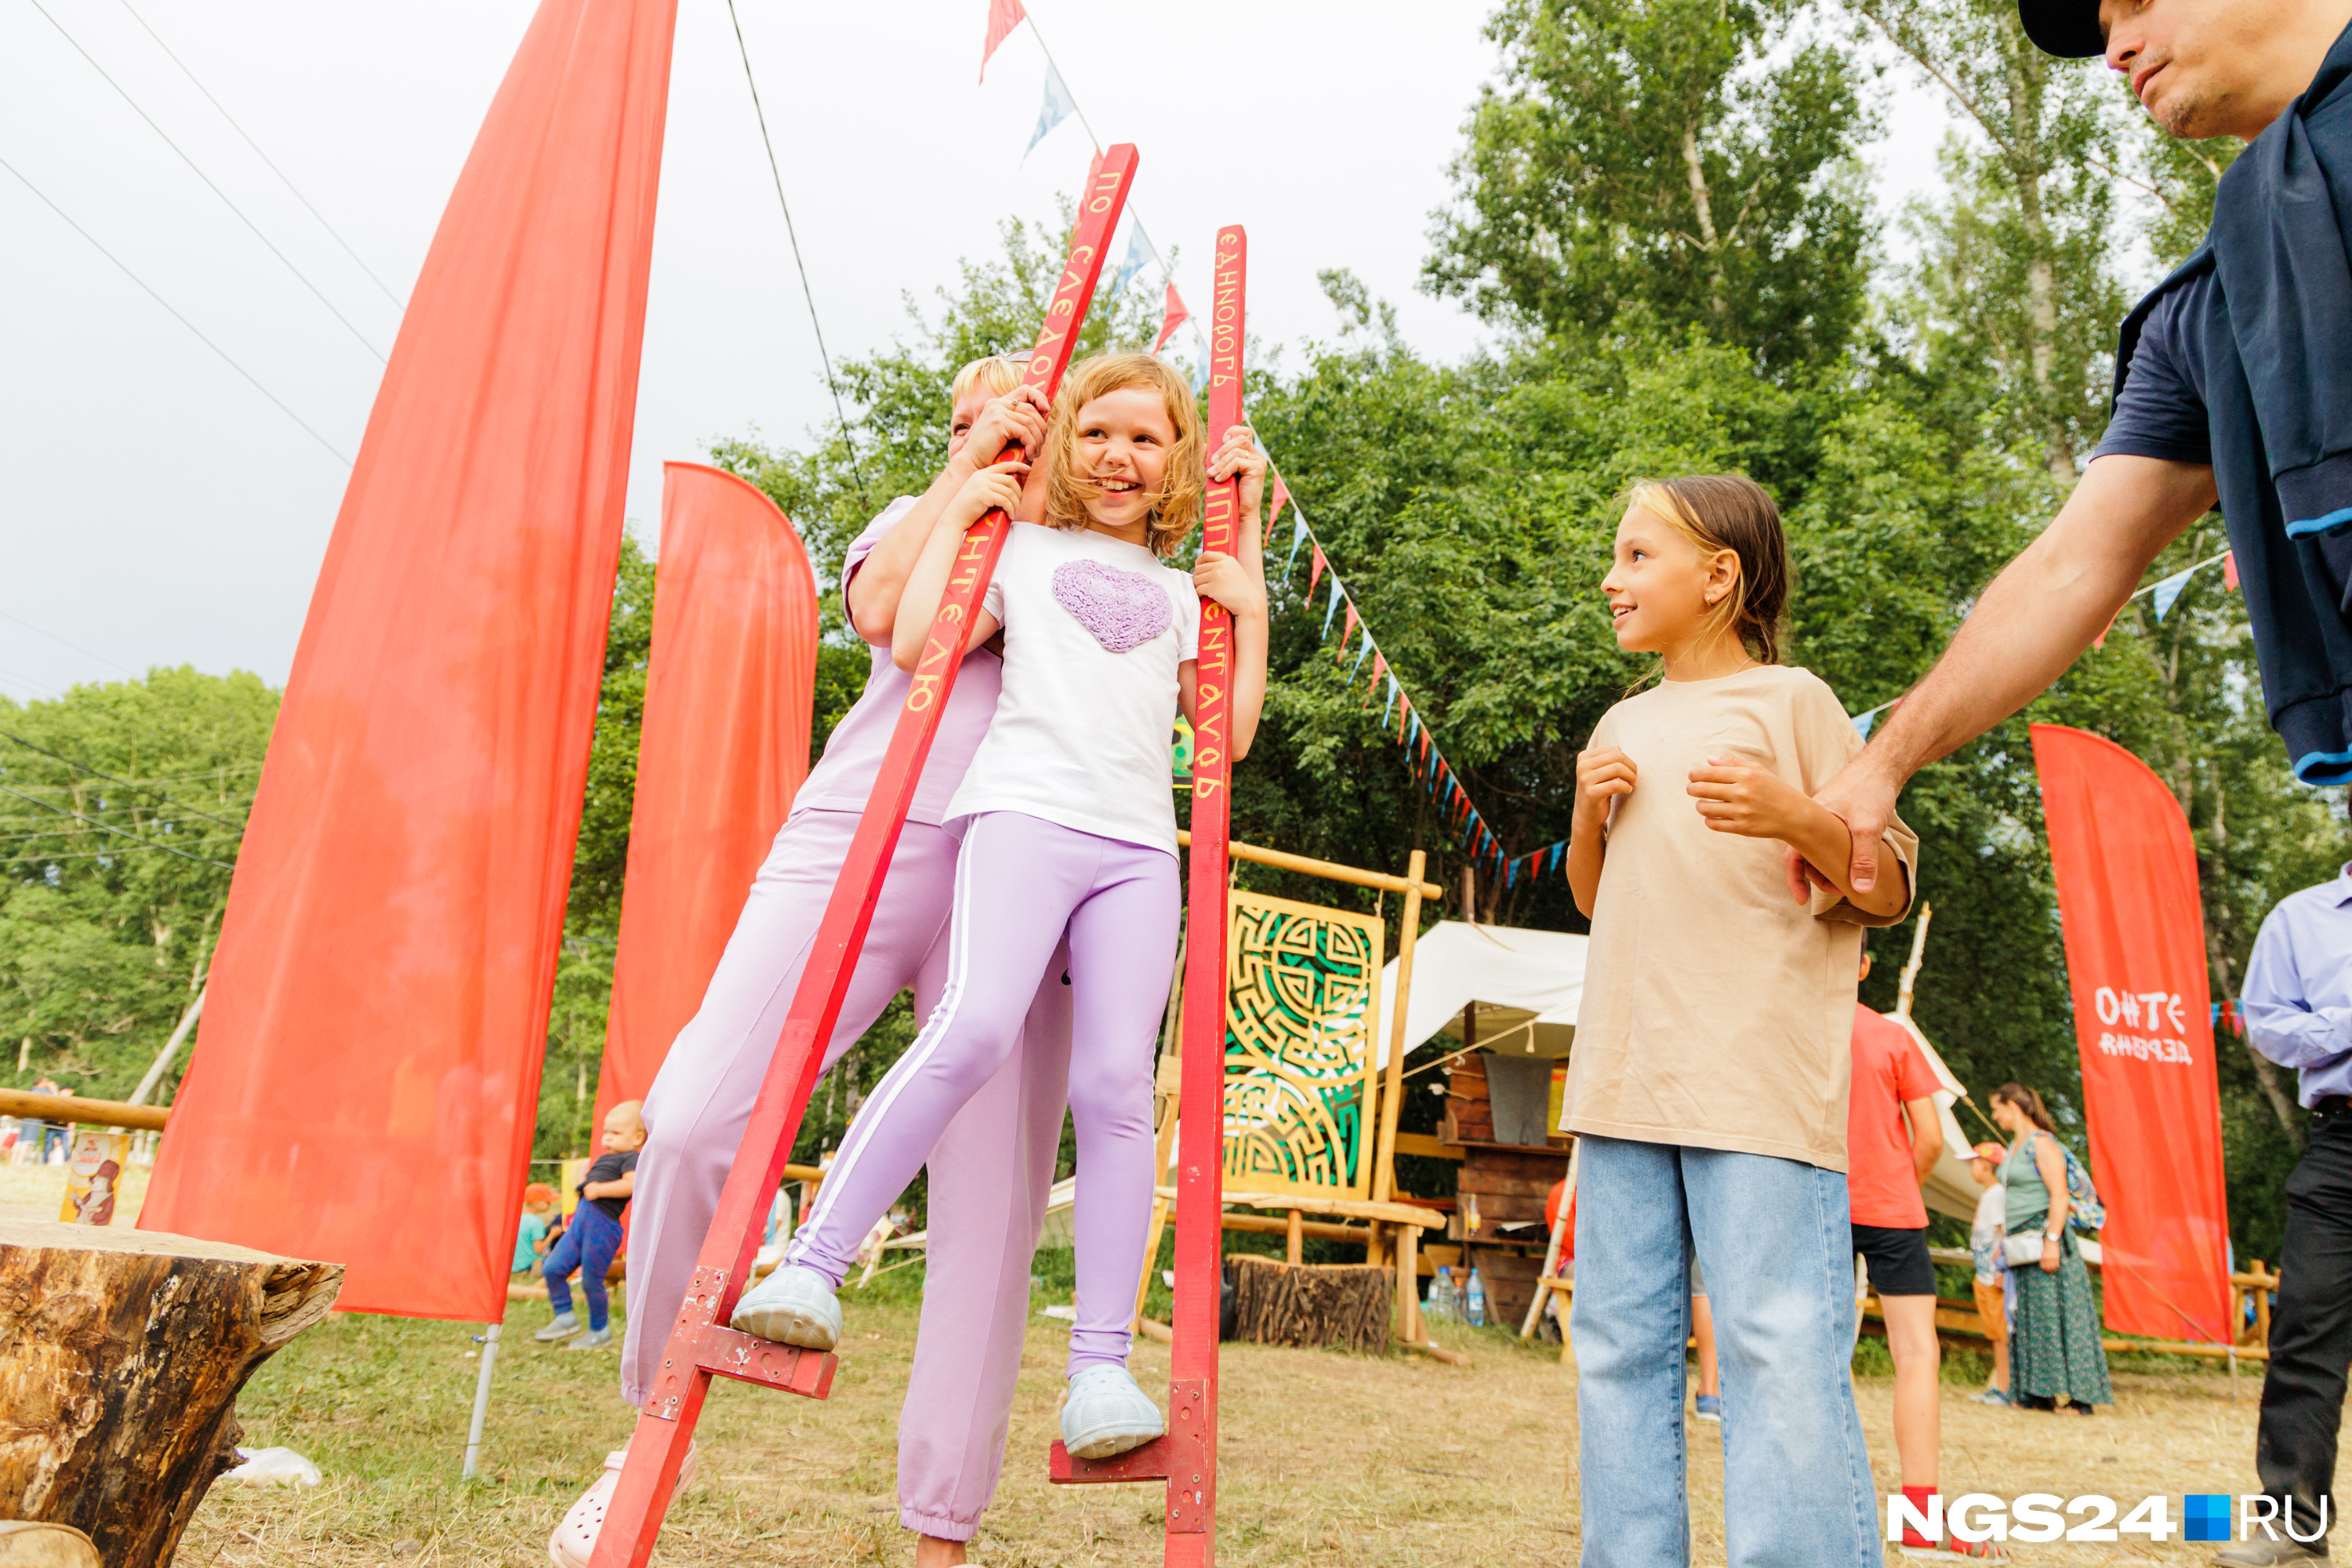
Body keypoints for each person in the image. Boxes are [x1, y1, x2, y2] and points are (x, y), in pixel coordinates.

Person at [547, 355, 1270, 1568]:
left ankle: (944, 1530)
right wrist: (965, 478)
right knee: (692, 1122)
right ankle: (647, 1433)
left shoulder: (1108, 558)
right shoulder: (952, 519)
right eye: (971, 419)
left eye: (1019, 420)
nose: (996, 434)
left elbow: (1210, 706)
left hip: (1031, 862)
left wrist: (1239, 535)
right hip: (867, 839)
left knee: (989, 1228)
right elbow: (889, 616)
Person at [1797, 4, 2352, 1558]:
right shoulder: (2217, 309)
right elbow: (2071, 567)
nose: (2112, 45)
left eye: (2131, 0)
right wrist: (1880, 759)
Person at [743, 351, 1269, 1462]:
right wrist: (962, 503)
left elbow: (1224, 737)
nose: (1119, 457)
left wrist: (1252, 584)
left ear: (1178, 461)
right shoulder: (1022, 550)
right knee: (974, 1024)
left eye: (1145, 439)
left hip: (1136, 850)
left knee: (1117, 1086)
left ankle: (1099, 1369)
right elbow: (915, 639)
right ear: (1066, 445)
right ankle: (813, 1262)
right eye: (1098, 433)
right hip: (1022, 818)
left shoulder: (1185, 594)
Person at [1563, 474, 1919, 1568]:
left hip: (1756, 1085)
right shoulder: (1621, 721)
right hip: (1623, 1078)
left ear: (1719, 576)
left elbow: (1890, 884)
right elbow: (1594, 896)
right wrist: (1585, 813)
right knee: (1617, 1349)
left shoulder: (1794, 702)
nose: (1612, 578)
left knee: (1774, 1348)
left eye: (1637, 556)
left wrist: (1798, 815)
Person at [1844, 946, 1984, 1560]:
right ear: (1864, 966)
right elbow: (1929, 1137)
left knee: (1811, 1357)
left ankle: (1821, 1511)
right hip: (1891, 1210)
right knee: (1917, 1353)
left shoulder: (1787, 1028)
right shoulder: (1890, 1036)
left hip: (1814, 1206)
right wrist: (1901, 1183)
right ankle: (1921, 1521)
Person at [2238, 863, 2352, 1560]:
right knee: (2306, 1333)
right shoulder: (2300, 917)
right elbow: (2268, 1027)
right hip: (2342, 1145)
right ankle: (2294, 1524)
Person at [1988, 1084, 2110, 1417]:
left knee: (2063, 1315)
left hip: (2045, 1236)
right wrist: (2002, 1246)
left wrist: (2052, 1241)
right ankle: (2037, 1392)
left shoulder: (2042, 1144)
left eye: (1997, 1109)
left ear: (2013, 1106)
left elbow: (2059, 1195)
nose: (1995, 1116)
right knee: (2031, 1316)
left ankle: (2081, 1399)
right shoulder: (2015, 1146)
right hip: (2020, 1242)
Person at [539, 1101, 644, 1352]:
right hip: (581, 1222)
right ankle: (565, 1317)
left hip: (603, 1226)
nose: (607, 1138)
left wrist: (598, 1190)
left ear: (637, 1138)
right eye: (606, 1132)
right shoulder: (607, 1158)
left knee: (591, 1280)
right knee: (552, 1268)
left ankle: (600, 1331)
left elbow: (631, 1185)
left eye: (616, 1133)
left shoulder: (632, 1158)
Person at [1966, 1142, 2013, 1406]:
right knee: (1995, 1334)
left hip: (1995, 1277)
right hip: (1984, 1276)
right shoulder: (1989, 1194)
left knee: (2002, 1335)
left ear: (1986, 1165)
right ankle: (1999, 1386)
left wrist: (2002, 1270)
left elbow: (2005, 1232)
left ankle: (2006, 1389)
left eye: (1974, 1163)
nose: (1971, 1168)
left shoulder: (1997, 1195)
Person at [513, 1181, 557, 1277]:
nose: (549, 1205)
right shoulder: (536, 1222)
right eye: (547, 1202)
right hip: (528, 1265)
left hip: (515, 1266)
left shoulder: (519, 1219)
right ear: (537, 1203)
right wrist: (552, 1235)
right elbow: (538, 1249)